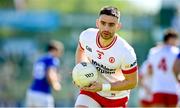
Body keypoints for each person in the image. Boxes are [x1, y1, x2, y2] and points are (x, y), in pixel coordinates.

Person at [74, 6, 138, 107]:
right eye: (103, 23)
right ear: (97, 23)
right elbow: (80, 50)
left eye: (111, 24)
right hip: (92, 92)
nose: (106, 28)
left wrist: (103, 87)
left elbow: (132, 82)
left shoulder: (126, 52)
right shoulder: (87, 36)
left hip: (116, 98)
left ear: (118, 26)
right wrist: (79, 72)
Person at [25, 40, 64, 107]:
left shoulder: (40, 59)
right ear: (54, 50)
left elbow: (34, 75)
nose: (60, 53)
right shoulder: (52, 59)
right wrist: (55, 85)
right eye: (59, 51)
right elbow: (50, 73)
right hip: (43, 94)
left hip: (31, 92)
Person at [147, 29, 179, 107]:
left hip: (157, 88)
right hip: (172, 89)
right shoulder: (177, 51)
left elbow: (149, 71)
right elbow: (176, 68)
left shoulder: (153, 51)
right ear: (171, 39)